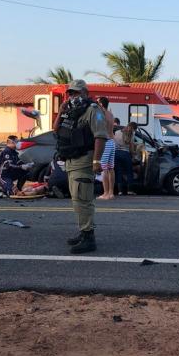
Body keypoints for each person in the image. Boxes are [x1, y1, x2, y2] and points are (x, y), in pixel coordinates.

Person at [53, 79, 108, 253]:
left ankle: (89, 237)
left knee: (83, 199)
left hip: (84, 160)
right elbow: (56, 130)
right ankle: (83, 232)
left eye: (76, 93)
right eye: (71, 93)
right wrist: (61, 112)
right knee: (77, 199)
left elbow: (100, 136)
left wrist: (96, 161)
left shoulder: (93, 110)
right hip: (71, 160)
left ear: (85, 93)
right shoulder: (70, 111)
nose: (73, 96)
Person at [97, 96, 116, 200]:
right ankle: (111, 192)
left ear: (101, 104)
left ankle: (105, 193)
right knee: (110, 168)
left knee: (104, 169)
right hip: (112, 142)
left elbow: (99, 126)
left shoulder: (101, 114)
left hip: (106, 142)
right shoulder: (111, 114)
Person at [114, 122, 137, 195]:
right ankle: (129, 190)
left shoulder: (117, 132)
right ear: (133, 129)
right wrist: (133, 155)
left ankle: (120, 191)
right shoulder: (132, 134)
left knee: (119, 172)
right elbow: (131, 147)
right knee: (129, 172)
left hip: (116, 154)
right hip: (126, 154)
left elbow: (114, 143)